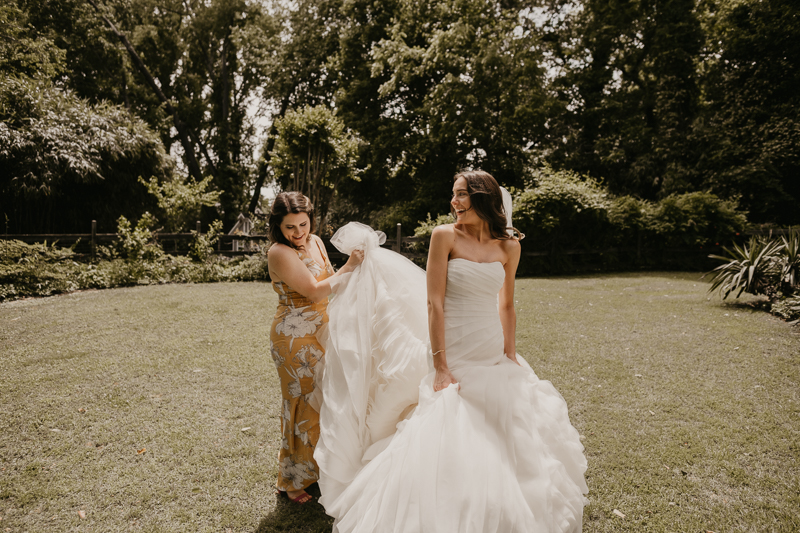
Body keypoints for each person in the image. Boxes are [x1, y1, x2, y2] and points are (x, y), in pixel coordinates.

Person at [316, 171, 588, 532]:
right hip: (454, 347)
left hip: (491, 347)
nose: (454, 203)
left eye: (462, 195)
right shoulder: (444, 236)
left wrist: (510, 354)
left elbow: (506, 305)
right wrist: (440, 365)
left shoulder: (509, 246)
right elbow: (435, 304)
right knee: (451, 425)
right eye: (453, 195)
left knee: (504, 426)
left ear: (483, 199)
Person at [267, 192, 363, 504]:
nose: (298, 233)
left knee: (325, 401)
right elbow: (312, 291)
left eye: (303, 224)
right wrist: (350, 265)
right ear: (278, 227)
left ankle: (317, 469)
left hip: (324, 329)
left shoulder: (317, 241)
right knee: (300, 405)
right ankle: (292, 480)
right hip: (294, 337)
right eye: (289, 227)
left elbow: (331, 281)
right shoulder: (279, 252)